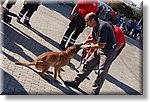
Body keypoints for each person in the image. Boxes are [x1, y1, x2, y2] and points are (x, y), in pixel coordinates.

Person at [64, 13, 117, 95]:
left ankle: (94, 93)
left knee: (101, 72)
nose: (86, 25)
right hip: (100, 49)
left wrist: (88, 46)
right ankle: (75, 82)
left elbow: (101, 44)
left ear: (92, 20)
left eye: (87, 22)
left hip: (108, 52)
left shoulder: (103, 26)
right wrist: (87, 42)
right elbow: (95, 39)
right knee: (88, 64)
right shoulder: (95, 26)